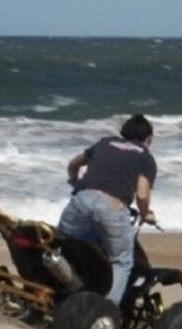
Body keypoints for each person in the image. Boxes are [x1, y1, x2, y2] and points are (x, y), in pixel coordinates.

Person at [58, 114, 158, 305]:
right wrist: (146, 214)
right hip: (113, 208)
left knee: (64, 246)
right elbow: (142, 194)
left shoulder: (105, 143)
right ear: (148, 139)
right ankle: (104, 311)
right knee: (121, 262)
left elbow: (73, 164)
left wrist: (74, 180)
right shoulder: (145, 157)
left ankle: (60, 291)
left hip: (81, 200)